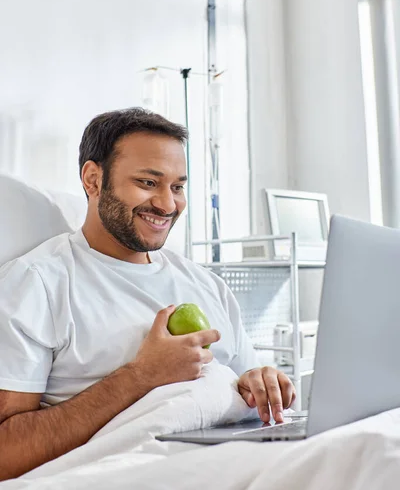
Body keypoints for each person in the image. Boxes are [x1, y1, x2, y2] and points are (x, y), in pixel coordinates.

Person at [0, 108, 295, 480]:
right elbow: (5, 453)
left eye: (177, 187)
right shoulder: (37, 284)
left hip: (244, 463)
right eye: (148, 182)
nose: (168, 205)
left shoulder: (206, 284)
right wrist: (141, 376)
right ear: (93, 180)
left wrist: (262, 382)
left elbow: (242, 385)